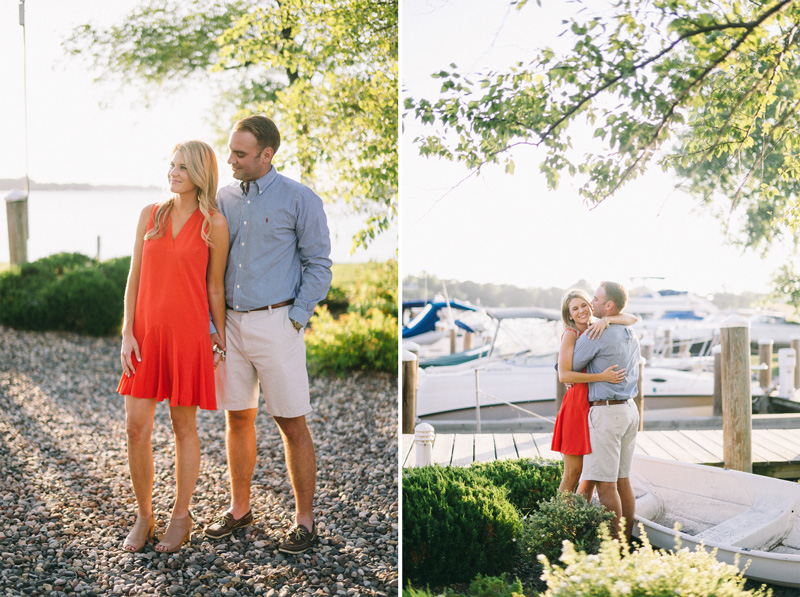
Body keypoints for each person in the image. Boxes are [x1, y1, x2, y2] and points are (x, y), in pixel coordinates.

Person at [204, 114, 332, 555]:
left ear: (266, 154)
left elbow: (319, 266)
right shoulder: (222, 199)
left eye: (240, 153)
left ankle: (304, 521)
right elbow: (210, 266)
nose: (231, 160)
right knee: (237, 417)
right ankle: (240, 510)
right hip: (230, 326)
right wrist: (212, 323)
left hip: (278, 323)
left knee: (291, 423)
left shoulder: (300, 199)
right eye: (231, 151)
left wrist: (295, 318)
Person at [117, 140, 229, 553]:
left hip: (188, 336)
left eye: (182, 166)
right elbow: (134, 276)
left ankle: (181, 515)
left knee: (184, 426)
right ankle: (145, 515)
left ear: (200, 173)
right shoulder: (151, 215)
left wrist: (218, 334)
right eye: (171, 165)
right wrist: (128, 331)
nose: (173, 172)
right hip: (145, 336)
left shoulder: (213, 224)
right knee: (135, 427)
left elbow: (214, 287)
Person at [572, 281, 641, 541]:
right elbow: (632, 318)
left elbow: (570, 364)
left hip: (607, 413)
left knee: (606, 486)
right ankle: (624, 545)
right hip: (629, 411)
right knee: (623, 480)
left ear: (609, 305)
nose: (592, 303)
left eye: (596, 299)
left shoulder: (597, 334)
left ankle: (612, 548)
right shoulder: (629, 331)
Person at [551, 289, 636, 496]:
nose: (581, 311)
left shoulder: (597, 329)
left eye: (584, 305)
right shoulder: (571, 334)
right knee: (573, 475)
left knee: (589, 476)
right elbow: (563, 375)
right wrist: (601, 377)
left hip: (593, 409)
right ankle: (561, 526)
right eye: (575, 308)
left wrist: (605, 321)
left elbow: (633, 318)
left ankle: (580, 524)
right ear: (569, 314)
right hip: (576, 407)